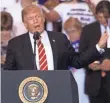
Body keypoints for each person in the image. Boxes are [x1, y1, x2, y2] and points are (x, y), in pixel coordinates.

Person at [3, 5, 108, 71]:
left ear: (43, 18)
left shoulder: (59, 39)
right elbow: (9, 73)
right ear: (25, 24)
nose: (35, 21)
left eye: (38, 16)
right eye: (31, 18)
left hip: (57, 91)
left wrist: (98, 47)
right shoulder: (15, 44)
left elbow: (77, 61)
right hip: (29, 95)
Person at [79, 1, 110, 103]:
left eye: (106, 17)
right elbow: (81, 55)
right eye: (99, 17)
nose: (103, 20)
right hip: (94, 85)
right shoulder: (88, 30)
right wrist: (89, 64)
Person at [64, 17, 89, 103]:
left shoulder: (86, 42)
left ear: (80, 30)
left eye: (73, 31)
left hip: (83, 73)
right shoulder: (66, 45)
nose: (71, 34)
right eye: (68, 32)